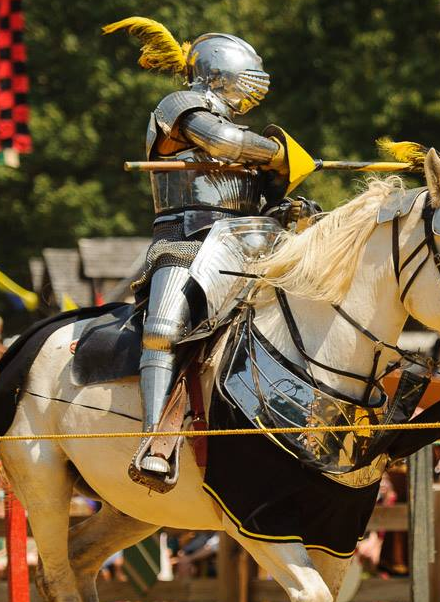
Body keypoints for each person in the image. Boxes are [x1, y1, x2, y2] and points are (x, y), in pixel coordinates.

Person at [105, 17, 317, 491]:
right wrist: (278, 151)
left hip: (248, 239)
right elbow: (224, 142)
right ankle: (154, 441)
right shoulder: (181, 107)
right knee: (163, 329)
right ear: (218, 70)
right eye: (250, 70)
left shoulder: (241, 138)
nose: (257, 81)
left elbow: (260, 196)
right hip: (188, 236)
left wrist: (288, 200)